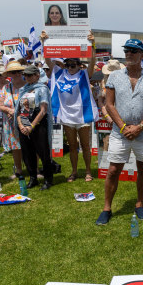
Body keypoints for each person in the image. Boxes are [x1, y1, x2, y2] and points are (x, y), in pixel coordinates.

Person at [96, 39, 143, 225]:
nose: (129, 54)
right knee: (113, 169)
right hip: (119, 132)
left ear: (142, 54)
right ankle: (107, 208)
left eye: (133, 51)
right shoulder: (115, 77)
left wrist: (139, 126)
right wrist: (124, 127)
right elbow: (109, 104)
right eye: (127, 51)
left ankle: (139, 204)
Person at [41, 31, 98, 182]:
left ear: (79, 65)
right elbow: (48, 61)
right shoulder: (60, 73)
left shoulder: (84, 74)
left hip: (83, 114)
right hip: (67, 115)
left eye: (73, 65)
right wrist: (44, 43)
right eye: (67, 64)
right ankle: (73, 172)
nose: (70, 67)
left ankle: (87, 171)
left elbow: (92, 61)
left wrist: (92, 44)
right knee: (72, 146)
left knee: (85, 146)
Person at [15, 65, 53, 190]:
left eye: (30, 75)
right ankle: (33, 177)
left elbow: (43, 110)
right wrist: (20, 124)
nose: (27, 77)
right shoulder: (23, 89)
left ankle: (48, 179)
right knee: (27, 152)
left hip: (38, 121)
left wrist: (31, 126)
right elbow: (18, 110)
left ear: (37, 75)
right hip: (24, 120)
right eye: (25, 75)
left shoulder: (42, 89)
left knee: (43, 151)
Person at [0, 61, 26, 179]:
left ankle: (34, 169)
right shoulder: (6, 88)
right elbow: (0, 105)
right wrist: (10, 111)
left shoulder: (28, 86)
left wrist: (17, 113)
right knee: (16, 147)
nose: (17, 74)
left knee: (31, 145)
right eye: (13, 72)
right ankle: (18, 169)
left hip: (26, 121)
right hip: (10, 123)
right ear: (9, 74)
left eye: (19, 71)